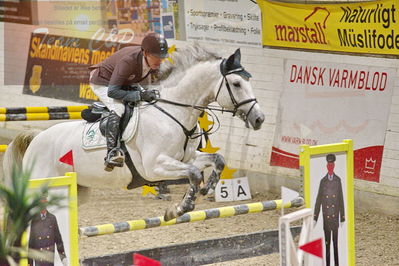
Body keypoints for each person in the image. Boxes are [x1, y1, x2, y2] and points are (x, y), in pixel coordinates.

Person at [89, 32, 168, 171]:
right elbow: (112, 92)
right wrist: (140, 95)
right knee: (119, 108)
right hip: (103, 82)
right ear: (145, 53)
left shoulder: (152, 62)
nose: (159, 60)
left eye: (161, 57)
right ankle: (112, 153)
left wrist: (147, 94)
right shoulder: (129, 61)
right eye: (156, 57)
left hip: (125, 82)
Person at [314, 153, 345, 266]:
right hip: (326, 218)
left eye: (332, 165)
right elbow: (318, 200)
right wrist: (315, 218)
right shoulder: (323, 181)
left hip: (335, 218)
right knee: (327, 245)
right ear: (327, 166)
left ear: (334, 166)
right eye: (329, 165)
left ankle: (336, 264)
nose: (330, 167)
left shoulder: (338, 180)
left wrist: (342, 217)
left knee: (335, 244)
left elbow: (341, 199)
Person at [28, 196, 67, 266]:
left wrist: (63, 257)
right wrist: (30, 263)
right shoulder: (34, 220)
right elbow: (31, 243)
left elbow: (58, 240)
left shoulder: (52, 218)